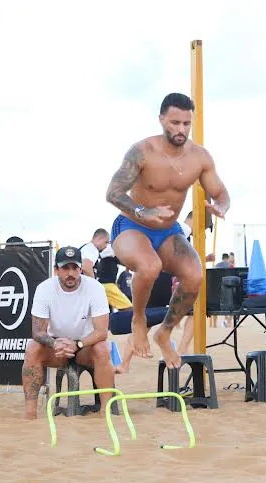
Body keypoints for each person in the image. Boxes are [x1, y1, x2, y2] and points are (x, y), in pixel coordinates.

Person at [105, 92, 231, 368]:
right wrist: (142, 211)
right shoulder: (142, 151)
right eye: (175, 122)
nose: (181, 130)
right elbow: (112, 193)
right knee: (149, 266)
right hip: (132, 225)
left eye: (186, 123)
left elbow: (220, 192)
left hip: (168, 230)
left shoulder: (199, 157)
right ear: (162, 119)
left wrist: (222, 206)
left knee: (195, 275)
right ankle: (138, 319)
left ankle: (164, 333)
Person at [21, 246, 113, 420]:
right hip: (56, 347)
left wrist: (77, 344)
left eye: (75, 268)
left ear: (80, 269)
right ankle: (30, 413)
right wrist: (55, 343)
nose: (70, 273)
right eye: (65, 268)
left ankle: (106, 411)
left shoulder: (95, 288)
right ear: (56, 270)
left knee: (102, 349)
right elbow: (37, 331)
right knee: (33, 349)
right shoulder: (44, 289)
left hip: (85, 346)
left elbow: (101, 332)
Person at [81, 228, 131, 311]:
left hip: (84, 288)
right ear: (99, 239)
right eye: (106, 242)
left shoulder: (87, 248)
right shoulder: (92, 249)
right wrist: (94, 287)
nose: (106, 246)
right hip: (103, 285)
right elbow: (86, 266)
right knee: (128, 309)